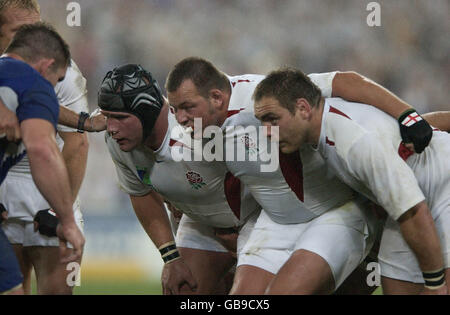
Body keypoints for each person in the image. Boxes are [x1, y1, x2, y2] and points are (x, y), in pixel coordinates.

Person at [165, 57, 440, 294]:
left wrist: (409, 116)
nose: (181, 118)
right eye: (176, 109)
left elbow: (345, 81)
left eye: (188, 107)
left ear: (216, 97)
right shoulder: (199, 131)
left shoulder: (261, 98)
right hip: (277, 221)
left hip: (334, 211)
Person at [252, 68, 449, 295]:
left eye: (272, 120)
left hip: (441, 185)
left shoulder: (353, 142)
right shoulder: (306, 92)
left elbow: (414, 212)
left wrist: (435, 284)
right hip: (410, 201)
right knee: (397, 288)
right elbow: (346, 79)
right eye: (262, 122)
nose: (266, 132)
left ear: (303, 109)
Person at [98, 63, 266, 294]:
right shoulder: (117, 143)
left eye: (119, 117)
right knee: (182, 288)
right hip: (203, 224)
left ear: (146, 111)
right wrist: (170, 258)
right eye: (107, 117)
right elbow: (140, 193)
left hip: (255, 219)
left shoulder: (198, 126)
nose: (111, 128)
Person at [0, 0, 93, 294]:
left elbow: (76, 143)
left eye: (34, 29)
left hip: (49, 188)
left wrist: (57, 210)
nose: (29, 40)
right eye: (18, 31)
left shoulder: (58, 67)